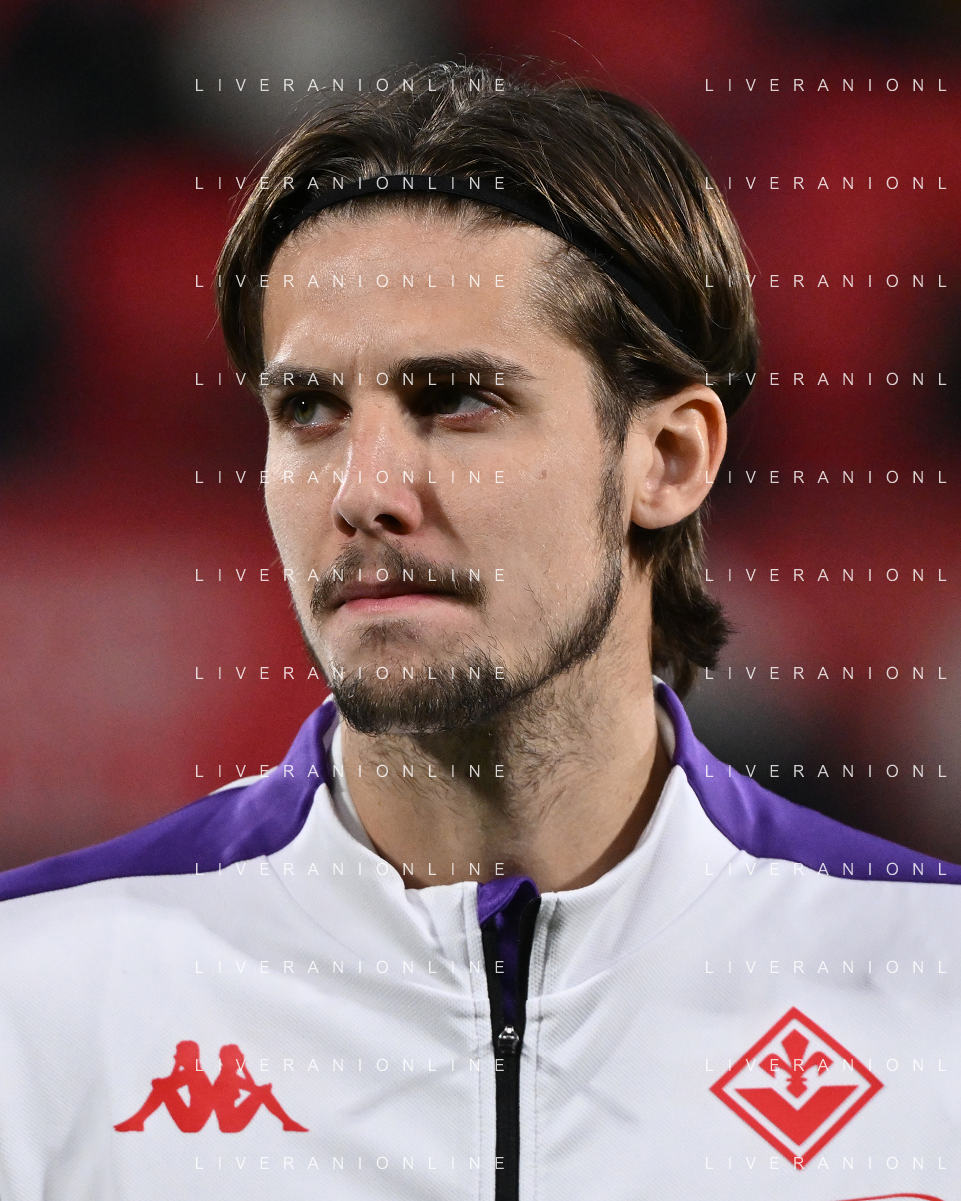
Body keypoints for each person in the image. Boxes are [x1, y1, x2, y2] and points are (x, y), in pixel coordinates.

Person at [0, 62, 957, 1200]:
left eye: (455, 399)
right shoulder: (40, 990)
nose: (363, 490)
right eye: (308, 409)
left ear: (666, 459)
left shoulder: (930, 981)